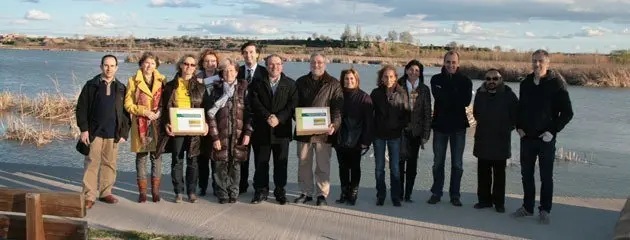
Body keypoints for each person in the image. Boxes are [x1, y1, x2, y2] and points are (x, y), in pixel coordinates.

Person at [512, 49, 574, 224]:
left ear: (547, 63)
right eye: (534, 61)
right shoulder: (526, 83)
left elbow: (568, 113)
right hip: (527, 138)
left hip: (546, 138)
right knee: (526, 174)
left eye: (540, 61)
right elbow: (520, 109)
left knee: (546, 176)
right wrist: (518, 127)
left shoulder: (557, 84)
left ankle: (545, 209)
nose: (537, 64)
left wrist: (552, 131)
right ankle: (527, 207)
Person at [76, 54, 130, 209]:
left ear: (116, 68)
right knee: (92, 163)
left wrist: (124, 133)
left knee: (110, 164)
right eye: (106, 65)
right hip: (94, 133)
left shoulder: (121, 88)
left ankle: (106, 193)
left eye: (112, 65)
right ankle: (88, 196)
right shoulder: (91, 85)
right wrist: (84, 130)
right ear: (101, 66)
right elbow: (81, 108)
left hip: (113, 134)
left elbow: (126, 114)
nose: (109, 68)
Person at [156, 54, 208, 203]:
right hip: (177, 128)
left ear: (195, 68)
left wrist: (205, 124)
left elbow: (205, 107)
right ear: (180, 65)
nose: (189, 67)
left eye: (193, 65)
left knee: (193, 161)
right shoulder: (170, 86)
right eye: (186, 64)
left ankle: (191, 191)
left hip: (194, 128)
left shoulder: (201, 87)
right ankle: (178, 191)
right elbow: (164, 108)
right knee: (177, 160)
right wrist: (166, 123)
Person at [293, 52, 343, 206]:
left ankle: (321, 194)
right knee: (303, 164)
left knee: (322, 166)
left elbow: (337, 108)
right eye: (313, 62)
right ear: (309, 63)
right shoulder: (300, 82)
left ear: (325, 64)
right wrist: (299, 120)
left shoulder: (334, 83)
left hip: (324, 133)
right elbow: (294, 105)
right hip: (304, 132)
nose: (316, 65)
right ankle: (305, 192)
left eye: (320, 62)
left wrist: (334, 124)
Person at [249, 54, 298, 205]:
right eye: (271, 64)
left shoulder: (290, 84)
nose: (274, 67)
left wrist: (279, 118)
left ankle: (279, 191)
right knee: (261, 162)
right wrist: (267, 116)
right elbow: (254, 102)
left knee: (280, 164)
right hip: (262, 130)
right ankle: (260, 191)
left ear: (282, 66)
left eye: (277, 64)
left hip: (281, 131)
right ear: (266, 65)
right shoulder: (256, 83)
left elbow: (292, 105)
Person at [428, 50, 473, 207]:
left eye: (454, 62)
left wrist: (449, 95)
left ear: (458, 64)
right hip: (440, 126)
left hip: (459, 127)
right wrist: (455, 96)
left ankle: (455, 195)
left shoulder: (466, 81)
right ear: (444, 62)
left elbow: (466, 102)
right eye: (448, 62)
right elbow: (440, 98)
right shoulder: (435, 79)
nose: (451, 65)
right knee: (438, 162)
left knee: (457, 164)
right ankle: (436, 192)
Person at [206, 58, 253, 204]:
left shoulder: (244, 89)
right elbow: (210, 115)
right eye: (225, 71)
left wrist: (247, 133)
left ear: (237, 72)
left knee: (235, 164)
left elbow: (250, 113)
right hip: (221, 133)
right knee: (220, 164)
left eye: (231, 70)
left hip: (238, 134)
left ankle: (234, 191)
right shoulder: (216, 89)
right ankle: (222, 192)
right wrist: (215, 137)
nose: (228, 73)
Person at [472, 68, 518, 213]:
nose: (491, 81)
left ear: (500, 79)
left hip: (501, 141)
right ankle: (484, 201)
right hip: (483, 139)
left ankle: (499, 203)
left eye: (495, 78)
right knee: (483, 173)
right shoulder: (480, 93)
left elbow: (515, 115)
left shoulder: (509, 94)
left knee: (499, 175)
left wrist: (505, 128)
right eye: (488, 79)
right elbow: (476, 113)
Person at [124, 52, 167, 203]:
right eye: (147, 62)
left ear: (156, 65)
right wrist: (144, 111)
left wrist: (159, 111)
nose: (149, 66)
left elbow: (165, 101)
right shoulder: (133, 81)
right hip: (140, 124)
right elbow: (128, 104)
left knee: (157, 158)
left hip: (157, 123)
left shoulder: (162, 81)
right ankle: (142, 192)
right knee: (141, 158)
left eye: (153, 63)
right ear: (141, 64)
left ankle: (155, 191)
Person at [333, 68, 373, 206]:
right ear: (342, 80)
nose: (349, 81)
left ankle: (353, 193)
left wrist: (366, 141)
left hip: (357, 139)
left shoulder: (364, 97)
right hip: (340, 138)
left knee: (355, 167)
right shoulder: (338, 96)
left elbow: (369, 122)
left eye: (351, 79)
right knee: (342, 167)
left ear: (356, 80)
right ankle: (344, 192)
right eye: (346, 79)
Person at [370, 65, 409, 207]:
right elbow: (370, 114)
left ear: (395, 78)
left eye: (391, 76)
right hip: (379, 135)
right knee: (379, 167)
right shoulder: (375, 93)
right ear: (381, 77)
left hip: (395, 136)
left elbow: (406, 115)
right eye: (385, 76)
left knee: (395, 167)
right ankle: (381, 195)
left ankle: (395, 196)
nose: (388, 79)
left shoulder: (402, 93)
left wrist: (398, 126)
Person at [236, 41, 268, 194]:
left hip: (260, 122)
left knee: (260, 158)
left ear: (257, 54)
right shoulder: (237, 71)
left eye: (251, 52)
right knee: (242, 156)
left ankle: (259, 187)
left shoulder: (265, 72)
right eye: (245, 53)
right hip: (241, 121)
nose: (248, 55)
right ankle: (241, 185)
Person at [397, 59, 432, 203]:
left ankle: (408, 194)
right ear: (406, 71)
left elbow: (427, 114)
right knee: (399, 164)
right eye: (411, 69)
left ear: (420, 73)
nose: (414, 72)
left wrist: (425, 135)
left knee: (412, 165)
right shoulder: (398, 86)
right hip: (400, 131)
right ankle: (398, 193)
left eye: (417, 70)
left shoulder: (424, 89)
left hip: (416, 133)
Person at [197, 49, 221, 197]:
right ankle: (203, 185)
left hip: (218, 122)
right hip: (200, 122)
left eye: (213, 61)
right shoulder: (196, 78)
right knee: (202, 157)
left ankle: (217, 186)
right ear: (202, 63)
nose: (210, 64)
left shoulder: (223, 78)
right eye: (207, 61)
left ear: (217, 63)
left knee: (216, 157)